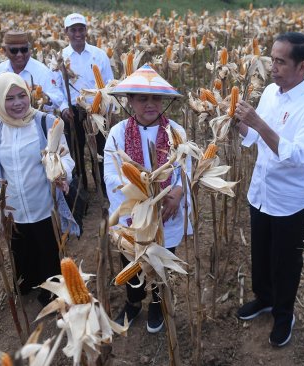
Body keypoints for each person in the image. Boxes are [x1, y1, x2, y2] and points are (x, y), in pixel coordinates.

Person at [233, 32, 304, 347]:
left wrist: (258, 122)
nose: (272, 67)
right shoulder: (271, 92)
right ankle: (265, 299)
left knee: (285, 262)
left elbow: (297, 155)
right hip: (260, 191)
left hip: (289, 201)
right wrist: (235, 122)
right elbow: (256, 138)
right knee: (260, 253)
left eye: (279, 61)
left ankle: (284, 314)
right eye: (272, 59)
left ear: (301, 66)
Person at [104, 65, 192, 333]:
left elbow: (184, 169)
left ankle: (157, 304)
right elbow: (110, 174)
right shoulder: (118, 133)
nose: (150, 104)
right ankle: (133, 302)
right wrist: (139, 198)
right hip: (133, 214)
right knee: (131, 261)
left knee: (162, 259)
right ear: (129, 101)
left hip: (167, 212)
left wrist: (177, 192)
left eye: (156, 98)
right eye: (142, 98)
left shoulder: (175, 131)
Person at [0, 72, 79, 306]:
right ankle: (30, 284)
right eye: (10, 98)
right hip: (13, 210)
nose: (17, 103)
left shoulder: (44, 122)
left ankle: (52, 291)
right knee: (23, 261)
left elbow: (64, 157)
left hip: (43, 204)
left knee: (48, 253)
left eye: (22, 95)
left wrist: (62, 173)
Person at [57, 13, 114, 192]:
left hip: (98, 110)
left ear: (86, 30)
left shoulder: (99, 55)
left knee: (102, 151)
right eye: (73, 30)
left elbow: (109, 83)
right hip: (73, 111)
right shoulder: (61, 57)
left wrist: (109, 109)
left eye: (81, 29)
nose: (78, 33)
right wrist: (64, 108)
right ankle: (81, 190)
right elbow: (55, 87)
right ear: (66, 32)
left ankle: (104, 188)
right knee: (76, 152)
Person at [0, 30, 64, 113]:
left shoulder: (42, 71)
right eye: (14, 51)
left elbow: (58, 99)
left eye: (24, 50)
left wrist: (44, 97)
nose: (19, 54)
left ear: (29, 49)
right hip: (8, 122)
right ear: (5, 51)